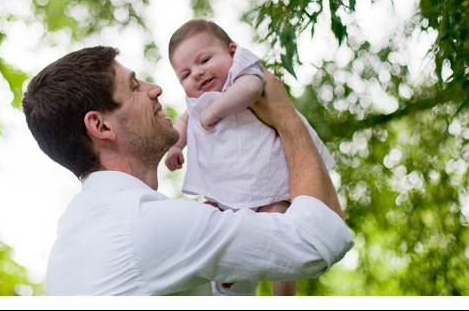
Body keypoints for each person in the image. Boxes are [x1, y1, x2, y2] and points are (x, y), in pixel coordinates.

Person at [22, 46, 353, 296]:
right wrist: (285, 117)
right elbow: (320, 240)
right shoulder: (145, 224)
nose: (156, 89)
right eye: (135, 86)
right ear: (100, 125)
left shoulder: (74, 242)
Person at [165, 19, 337, 295]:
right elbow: (184, 122)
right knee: (213, 223)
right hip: (226, 190)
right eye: (185, 74)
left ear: (233, 51)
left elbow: (252, 89)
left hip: (266, 183)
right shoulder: (196, 102)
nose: (197, 73)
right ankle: (230, 272)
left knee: (282, 224)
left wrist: (215, 111)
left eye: (205, 59)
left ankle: (283, 295)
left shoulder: (241, 72)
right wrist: (175, 146)